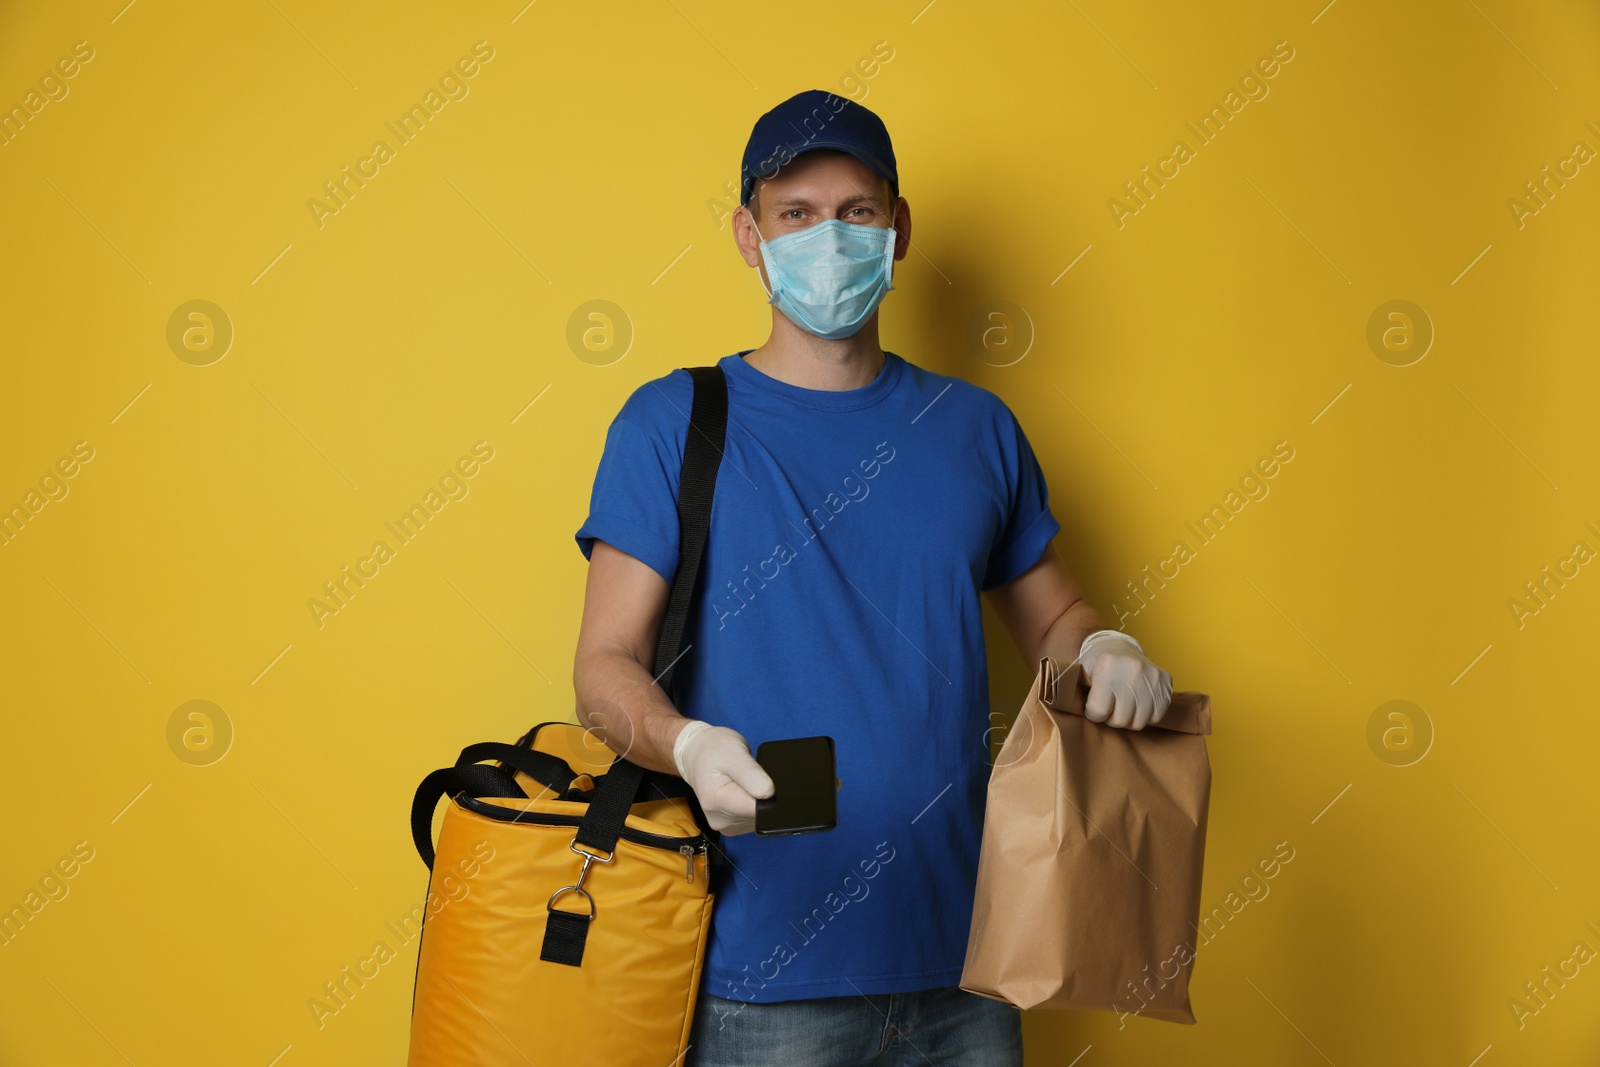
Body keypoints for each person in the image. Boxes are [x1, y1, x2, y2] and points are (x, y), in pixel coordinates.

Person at [572, 88, 1174, 1067]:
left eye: (854, 212)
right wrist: (681, 743)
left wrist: (1104, 645)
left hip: (968, 966)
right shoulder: (671, 422)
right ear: (747, 234)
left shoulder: (978, 430)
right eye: (794, 214)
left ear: (897, 230)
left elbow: (1053, 609)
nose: (826, 236)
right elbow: (604, 662)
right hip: (758, 977)